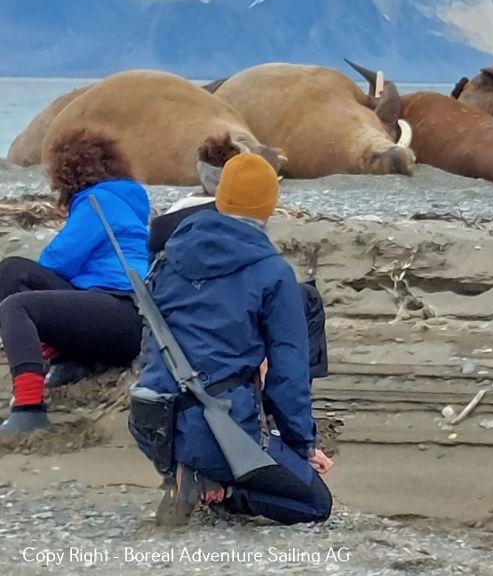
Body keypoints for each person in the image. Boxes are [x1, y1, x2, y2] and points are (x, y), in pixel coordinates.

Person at [135, 153, 333, 525]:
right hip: (216, 428)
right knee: (314, 504)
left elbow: (149, 343)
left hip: (150, 420)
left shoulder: (167, 255)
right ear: (270, 205)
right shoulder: (272, 272)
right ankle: (218, 489)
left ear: (220, 196)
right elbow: (288, 375)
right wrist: (301, 447)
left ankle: (183, 472)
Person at [0, 129, 149, 434]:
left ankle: (28, 409)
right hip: (134, 318)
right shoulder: (128, 200)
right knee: (16, 272)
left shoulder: (97, 201)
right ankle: (72, 358)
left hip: (120, 308)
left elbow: (58, 260)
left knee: (17, 300)